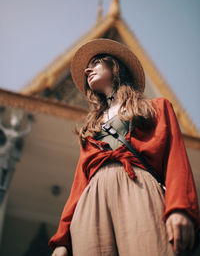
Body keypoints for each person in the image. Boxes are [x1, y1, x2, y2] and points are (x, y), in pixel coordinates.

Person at [49, 39, 199, 256]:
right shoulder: (91, 128)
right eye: (87, 67)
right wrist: (62, 240)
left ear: (115, 67)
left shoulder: (156, 108)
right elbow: (79, 185)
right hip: (91, 202)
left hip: (138, 186)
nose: (88, 69)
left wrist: (180, 208)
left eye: (97, 62)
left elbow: (176, 160)